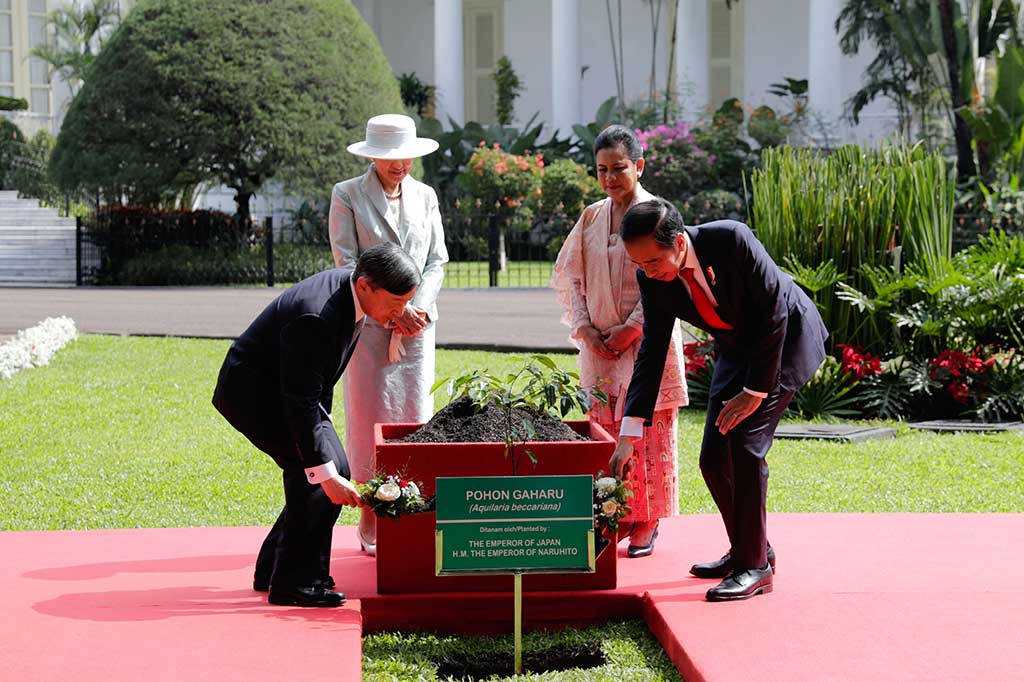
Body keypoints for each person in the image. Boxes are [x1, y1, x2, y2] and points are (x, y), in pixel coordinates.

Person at [610, 198, 827, 601]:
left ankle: (755, 568)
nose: (647, 272)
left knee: (745, 445)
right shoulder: (652, 278)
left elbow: (775, 313)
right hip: (737, 349)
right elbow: (652, 351)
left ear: (678, 243)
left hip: (784, 340)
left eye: (652, 262)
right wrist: (628, 433)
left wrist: (754, 392)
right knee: (713, 459)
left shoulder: (732, 239)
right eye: (638, 265)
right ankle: (752, 547)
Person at [212, 243, 422, 607]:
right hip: (253, 395)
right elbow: (299, 402)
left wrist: (325, 463)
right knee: (318, 476)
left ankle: (275, 569)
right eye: (396, 301)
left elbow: (310, 385)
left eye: (407, 301)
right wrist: (323, 472)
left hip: (286, 392)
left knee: (332, 469)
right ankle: (296, 582)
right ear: (365, 286)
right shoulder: (317, 316)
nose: (401, 311)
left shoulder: (353, 291)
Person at [550, 125, 687, 558]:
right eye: (602, 170)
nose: (610, 178)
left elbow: (668, 275)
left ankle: (648, 518)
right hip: (600, 347)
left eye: (619, 168)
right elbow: (572, 276)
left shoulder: (656, 214)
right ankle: (617, 512)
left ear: (639, 166)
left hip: (649, 340)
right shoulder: (591, 216)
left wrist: (632, 327)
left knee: (649, 429)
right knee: (606, 430)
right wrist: (585, 327)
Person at [329, 114, 448, 555]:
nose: (399, 165)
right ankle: (370, 510)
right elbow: (346, 263)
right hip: (369, 326)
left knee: (415, 416)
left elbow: (437, 259)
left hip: (416, 327)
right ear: (372, 155)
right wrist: (388, 310)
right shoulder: (347, 194)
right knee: (368, 419)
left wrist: (414, 308)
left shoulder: (426, 195)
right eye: (389, 157)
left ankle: (411, 508)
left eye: (406, 157)